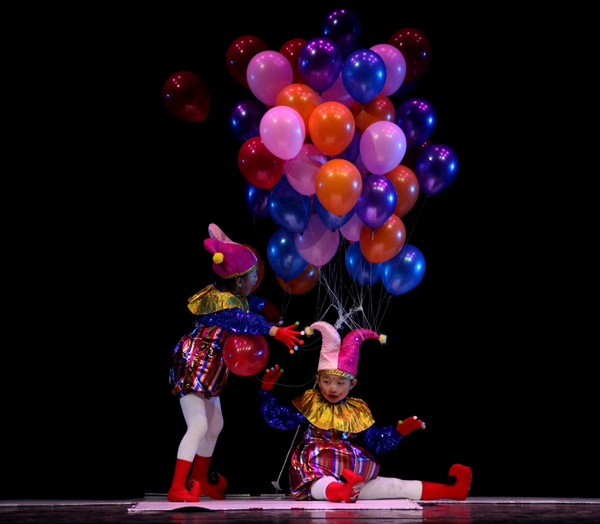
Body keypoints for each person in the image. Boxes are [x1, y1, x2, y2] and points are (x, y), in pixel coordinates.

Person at [258, 320, 472, 503]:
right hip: (317, 466)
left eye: (340, 383)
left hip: (353, 469)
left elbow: (375, 442)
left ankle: (454, 490)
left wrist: (399, 432)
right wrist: (267, 391)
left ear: (352, 384)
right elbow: (281, 419)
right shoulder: (311, 402)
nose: (333, 389)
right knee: (322, 484)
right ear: (318, 380)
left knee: (396, 487)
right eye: (327, 381)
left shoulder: (357, 410)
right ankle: (342, 491)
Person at [167, 223, 305, 503]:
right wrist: (276, 331)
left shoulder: (233, 295)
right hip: (194, 362)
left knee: (215, 424)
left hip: (211, 365)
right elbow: (243, 320)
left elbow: (249, 305)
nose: (256, 279)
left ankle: (200, 481)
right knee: (199, 425)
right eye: (254, 275)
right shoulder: (220, 303)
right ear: (240, 280)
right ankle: (177, 487)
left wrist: (266, 306)